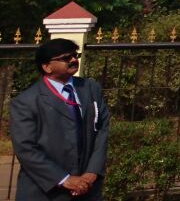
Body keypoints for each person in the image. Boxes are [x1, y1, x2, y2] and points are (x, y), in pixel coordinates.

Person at [9, 39, 109, 200]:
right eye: (65, 58)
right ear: (47, 67)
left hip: (88, 189)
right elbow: (26, 148)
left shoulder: (91, 89)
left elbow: (102, 130)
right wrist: (64, 179)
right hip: (45, 192)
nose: (73, 60)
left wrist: (92, 171)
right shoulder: (26, 102)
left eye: (75, 55)